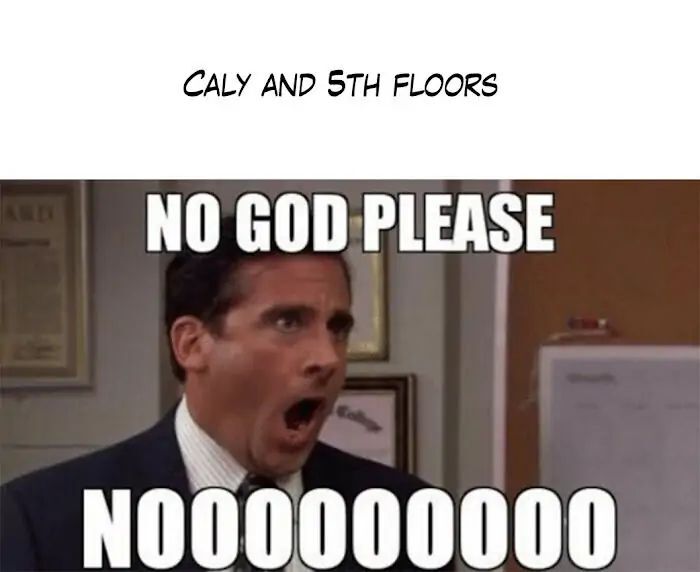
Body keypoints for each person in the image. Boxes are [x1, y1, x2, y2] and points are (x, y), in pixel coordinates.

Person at [0, 215, 445, 571]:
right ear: (192, 344)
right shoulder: (42, 522)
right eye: (288, 322)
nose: (328, 357)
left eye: (338, 329)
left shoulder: (406, 518)